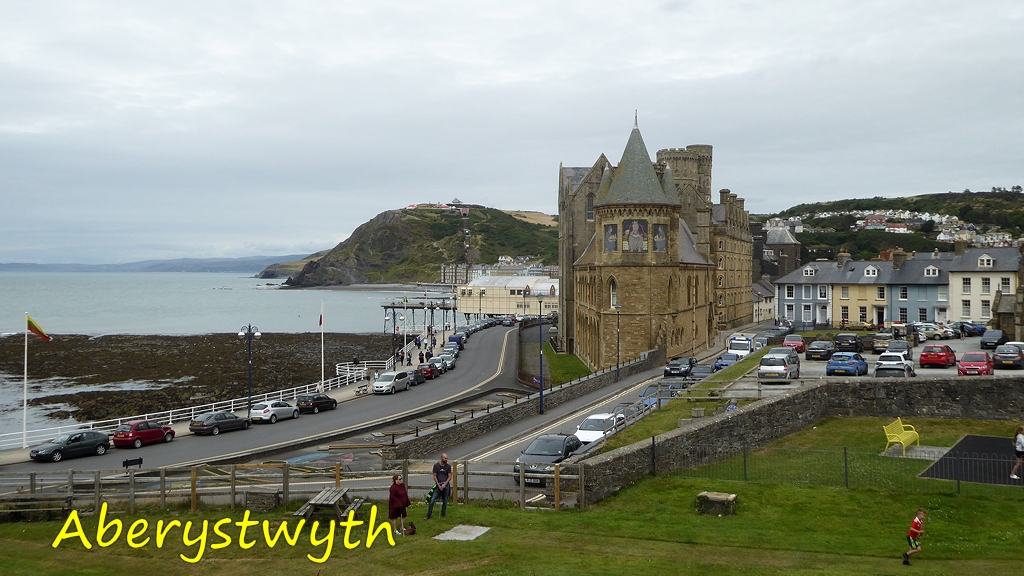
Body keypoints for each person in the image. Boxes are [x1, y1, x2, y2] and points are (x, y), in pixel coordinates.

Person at [426, 453, 452, 519]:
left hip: (446, 486)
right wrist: (438, 485)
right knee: (432, 500)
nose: (446, 460)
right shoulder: (436, 466)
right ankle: (429, 515)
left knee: (445, 501)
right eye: (445, 458)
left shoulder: (448, 466)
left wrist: (444, 484)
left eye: (447, 458)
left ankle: (443, 514)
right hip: (438, 486)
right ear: (441, 458)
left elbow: (449, 477)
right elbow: (434, 476)